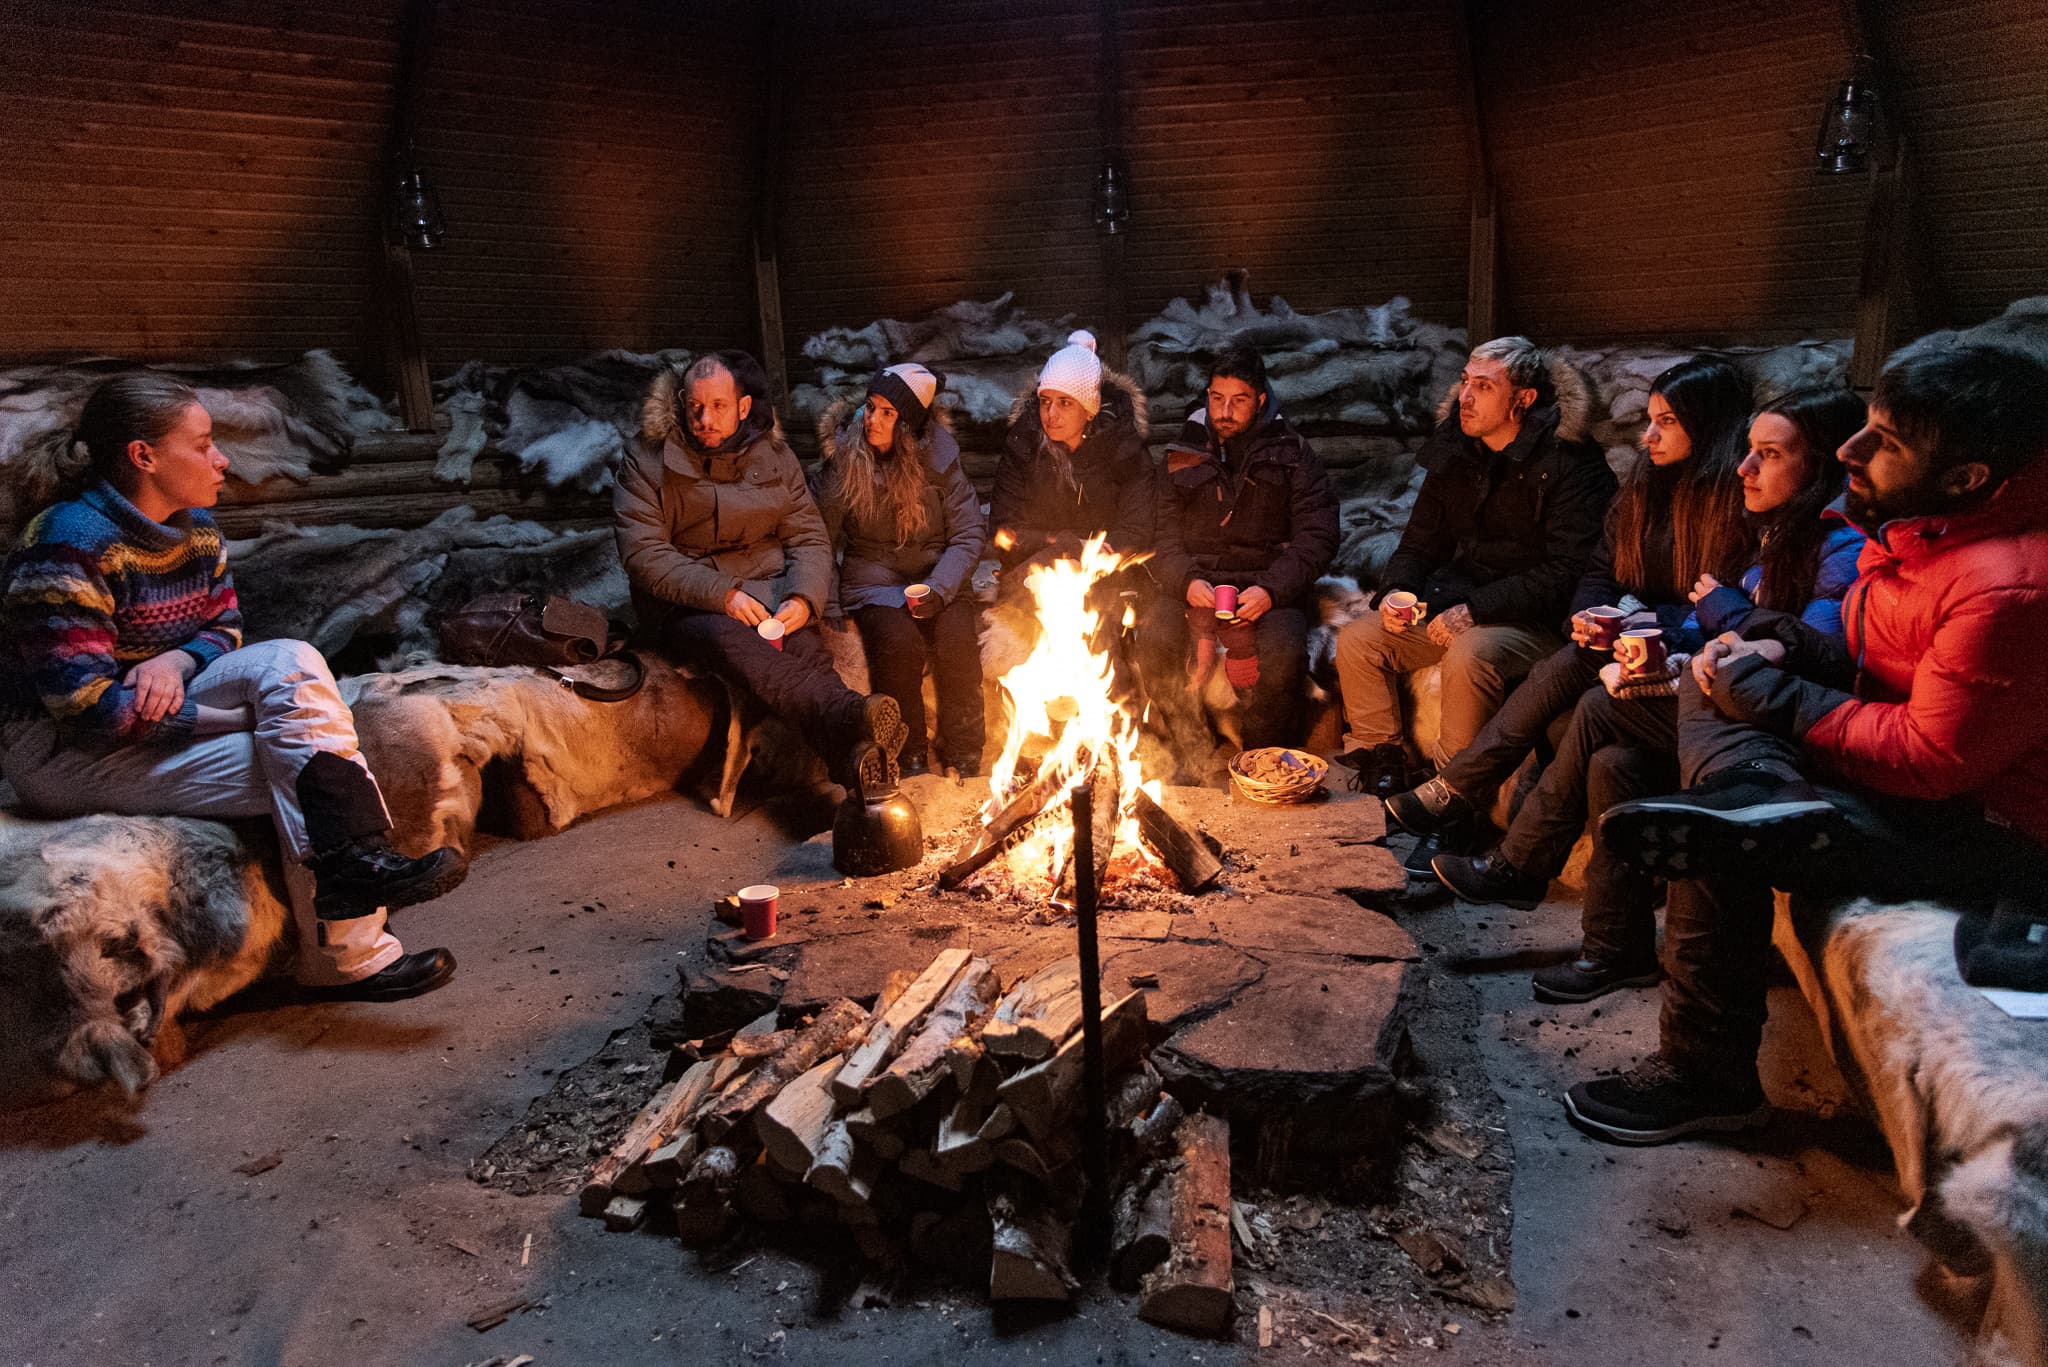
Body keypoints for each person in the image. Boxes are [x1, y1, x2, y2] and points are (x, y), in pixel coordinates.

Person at [1566, 340, 2048, 1145]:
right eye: (1867, 426)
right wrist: (1782, 651)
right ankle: (1751, 791)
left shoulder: (2008, 584)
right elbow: (1875, 661)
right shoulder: (1919, 531)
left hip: (1988, 838)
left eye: (1886, 442)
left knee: (1722, 833)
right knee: (1710, 694)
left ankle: (1706, 1075)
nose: (1851, 451)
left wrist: (1783, 692)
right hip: (1912, 792)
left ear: (1968, 475)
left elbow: (1933, 759)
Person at [0, 375, 463, 1002]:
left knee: (293, 664)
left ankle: (350, 878)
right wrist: (234, 721)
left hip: (155, 703)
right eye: (204, 444)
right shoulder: (65, 548)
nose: (222, 459)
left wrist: (177, 662)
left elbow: (225, 628)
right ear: (145, 456)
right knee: (308, 766)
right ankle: (350, 954)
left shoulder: (196, 531)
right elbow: (87, 710)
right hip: (65, 751)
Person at [1431, 388, 1868, 1004]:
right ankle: (1615, 949)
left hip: (1770, 734)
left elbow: (1815, 653)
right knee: (1614, 761)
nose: (1747, 469)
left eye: (1767, 455)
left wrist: (1722, 613)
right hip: (1721, 704)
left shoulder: (1839, 544)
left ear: (1819, 464)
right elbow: (1682, 611)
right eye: (1748, 452)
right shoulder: (1760, 527)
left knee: (1597, 706)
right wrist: (1644, 630)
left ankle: (1516, 857)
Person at [1382, 356, 1754, 841]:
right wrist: (1590, 614)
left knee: (1565, 713)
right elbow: (1599, 570)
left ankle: (1466, 808)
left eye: (1667, 423)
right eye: (1649, 421)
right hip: (1623, 642)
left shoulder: (1735, 505)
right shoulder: (1643, 487)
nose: (1649, 437)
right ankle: (1445, 799)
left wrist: (1637, 619)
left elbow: (1718, 602)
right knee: (1560, 684)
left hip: (1680, 657)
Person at [1331, 336, 1616, 798]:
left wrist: (1475, 609)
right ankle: (1382, 757)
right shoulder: (1458, 451)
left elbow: (1569, 571)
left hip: (1535, 617)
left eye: (1483, 387)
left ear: (1523, 399)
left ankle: (1450, 792)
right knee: (1360, 639)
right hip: (1464, 597)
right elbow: (1421, 540)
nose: (1464, 396)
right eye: (1464, 381)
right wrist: (1399, 589)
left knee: (1470, 655)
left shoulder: (1570, 463)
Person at [615, 351, 906, 789]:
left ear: (743, 407)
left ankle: (852, 765)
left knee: (806, 654)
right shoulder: (646, 459)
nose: (704, 418)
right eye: (695, 406)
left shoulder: (774, 456)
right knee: (738, 646)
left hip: (769, 591)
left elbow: (807, 535)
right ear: (680, 401)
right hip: (689, 603)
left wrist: (803, 598)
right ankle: (847, 711)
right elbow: (644, 554)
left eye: (718, 407)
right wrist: (723, 595)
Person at [1141, 342, 1338, 779]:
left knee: (1285, 654)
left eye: (1239, 400)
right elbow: (1161, 536)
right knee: (1154, 637)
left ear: (1261, 400)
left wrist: (1271, 590)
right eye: (1217, 398)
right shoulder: (1181, 454)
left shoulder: (1292, 453)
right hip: (1196, 583)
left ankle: (1257, 757)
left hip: (1266, 584)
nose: (1225, 411)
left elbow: (1318, 536)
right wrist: (1184, 581)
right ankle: (1194, 748)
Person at [816, 363, 987, 778]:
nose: (872, 420)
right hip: (874, 581)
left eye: (888, 413)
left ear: (909, 425)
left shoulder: (942, 461)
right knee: (899, 646)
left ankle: (965, 753)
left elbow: (967, 534)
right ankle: (908, 755)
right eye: (870, 407)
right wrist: (833, 601)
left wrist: (940, 587)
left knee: (957, 641)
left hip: (937, 576)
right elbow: (819, 537)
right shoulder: (846, 462)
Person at [989, 329, 1153, 576]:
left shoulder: (1123, 446)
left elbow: (1138, 527)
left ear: (1089, 410)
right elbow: (1005, 532)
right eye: (1045, 401)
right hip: (1037, 573)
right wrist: (1069, 546)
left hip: (1107, 572)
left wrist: (1096, 556)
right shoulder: (1023, 444)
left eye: (1064, 403)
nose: (1051, 414)